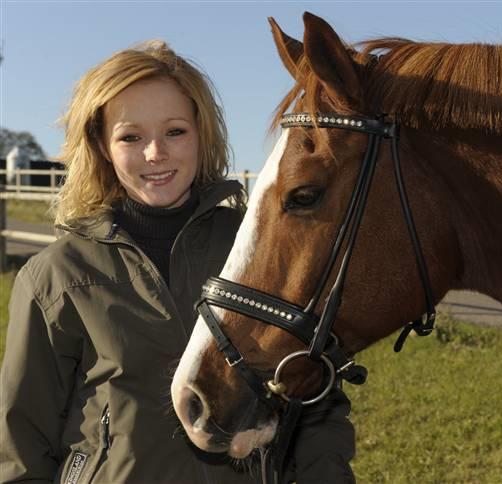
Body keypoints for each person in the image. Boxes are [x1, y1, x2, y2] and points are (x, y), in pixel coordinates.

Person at [0, 41, 355, 483]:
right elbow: (22, 445)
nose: (155, 153)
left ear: (201, 133)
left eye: (175, 131)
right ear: (101, 145)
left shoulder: (265, 248)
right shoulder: (55, 277)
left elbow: (316, 398)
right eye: (131, 136)